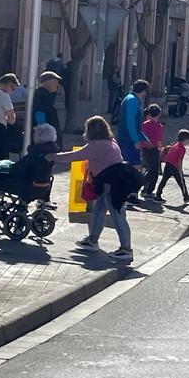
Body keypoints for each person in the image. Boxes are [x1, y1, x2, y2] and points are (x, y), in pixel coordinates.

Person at [49, 116, 134, 261]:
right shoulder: (111, 142)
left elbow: (73, 156)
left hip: (112, 186)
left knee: (117, 217)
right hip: (114, 183)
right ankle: (92, 240)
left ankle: (126, 249)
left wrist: (52, 156)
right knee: (99, 210)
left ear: (92, 131)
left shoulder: (96, 145)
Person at [156, 129, 189, 204]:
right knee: (181, 182)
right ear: (185, 140)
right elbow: (180, 160)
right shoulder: (182, 148)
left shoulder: (175, 144)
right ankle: (186, 196)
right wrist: (180, 170)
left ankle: (158, 195)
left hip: (168, 164)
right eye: (188, 140)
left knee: (163, 181)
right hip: (175, 167)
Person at [116, 79, 148, 167]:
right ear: (143, 91)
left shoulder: (130, 98)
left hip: (127, 138)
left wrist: (144, 139)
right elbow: (130, 122)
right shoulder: (132, 101)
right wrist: (136, 140)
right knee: (132, 166)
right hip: (128, 140)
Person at [32, 71, 63, 150]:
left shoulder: (46, 95)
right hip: (46, 139)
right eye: (56, 82)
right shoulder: (43, 95)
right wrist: (43, 133)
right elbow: (40, 113)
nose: (57, 85)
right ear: (48, 82)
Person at [140, 104, 164, 200]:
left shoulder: (144, 124)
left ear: (149, 113)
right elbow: (159, 140)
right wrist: (161, 149)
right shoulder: (158, 126)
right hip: (154, 149)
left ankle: (143, 187)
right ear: (159, 114)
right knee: (154, 171)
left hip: (145, 149)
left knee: (148, 168)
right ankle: (148, 191)